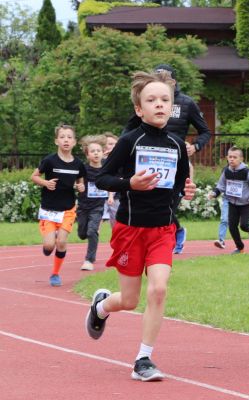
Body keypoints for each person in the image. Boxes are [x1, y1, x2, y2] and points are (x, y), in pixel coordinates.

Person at [85, 70, 197, 381]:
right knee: (130, 300)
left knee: (159, 289)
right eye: (152, 100)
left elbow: (179, 186)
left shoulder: (177, 144)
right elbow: (103, 178)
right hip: (131, 229)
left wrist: (186, 192)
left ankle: (143, 359)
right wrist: (129, 183)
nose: (159, 104)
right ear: (139, 109)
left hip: (163, 229)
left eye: (165, 100)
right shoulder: (129, 141)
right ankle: (101, 307)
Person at [123, 63, 212, 254]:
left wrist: (195, 146)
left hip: (175, 158)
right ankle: (164, 236)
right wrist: (119, 147)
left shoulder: (187, 103)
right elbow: (129, 129)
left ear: (174, 81)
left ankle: (172, 234)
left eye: (165, 78)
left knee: (168, 203)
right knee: (149, 202)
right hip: (146, 158)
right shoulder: (146, 100)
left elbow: (205, 131)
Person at [31, 124, 86, 287]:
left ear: (74, 142)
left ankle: (55, 274)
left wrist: (80, 187)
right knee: (49, 245)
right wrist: (45, 183)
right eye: (62, 137)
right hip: (49, 209)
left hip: (68, 209)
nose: (66, 140)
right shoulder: (49, 160)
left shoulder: (78, 164)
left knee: (61, 242)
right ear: (57, 141)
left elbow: (80, 182)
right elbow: (34, 177)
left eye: (69, 137)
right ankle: (48, 246)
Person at [207, 146, 249, 254]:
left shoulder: (247, 172)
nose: (231, 159)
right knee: (232, 227)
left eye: (235, 157)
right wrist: (214, 193)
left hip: (245, 204)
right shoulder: (226, 171)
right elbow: (220, 186)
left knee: (243, 225)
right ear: (227, 157)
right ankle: (240, 248)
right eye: (230, 157)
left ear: (241, 159)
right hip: (232, 203)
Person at [77, 135, 108, 271]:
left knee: (91, 231)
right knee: (82, 234)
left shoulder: (107, 168)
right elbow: (76, 181)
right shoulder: (83, 169)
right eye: (92, 151)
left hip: (98, 206)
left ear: (102, 153)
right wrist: (78, 185)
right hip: (83, 206)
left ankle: (89, 259)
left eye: (98, 150)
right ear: (87, 154)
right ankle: (93, 233)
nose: (96, 153)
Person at [102, 132, 120, 228]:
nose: (113, 146)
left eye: (115, 144)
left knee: (116, 225)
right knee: (93, 227)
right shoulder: (97, 160)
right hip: (98, 199)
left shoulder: (121, 161)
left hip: (115, 198)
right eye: (110, 144)